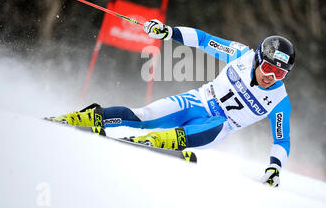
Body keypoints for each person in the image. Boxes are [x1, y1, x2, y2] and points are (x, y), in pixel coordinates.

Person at [51, 20, 295, 187]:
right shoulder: (241, 55)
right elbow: (203, 40)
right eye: (268, 68)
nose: (270, 77)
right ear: (258, 59)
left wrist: (274, 168)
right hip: (196, 101)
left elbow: (282, 140)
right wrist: (169, 32)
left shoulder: (279, 101)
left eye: (280, 74)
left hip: (213, 127)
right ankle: (88, 117)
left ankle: (162, 140)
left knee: (220, 125)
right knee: (143, 116)